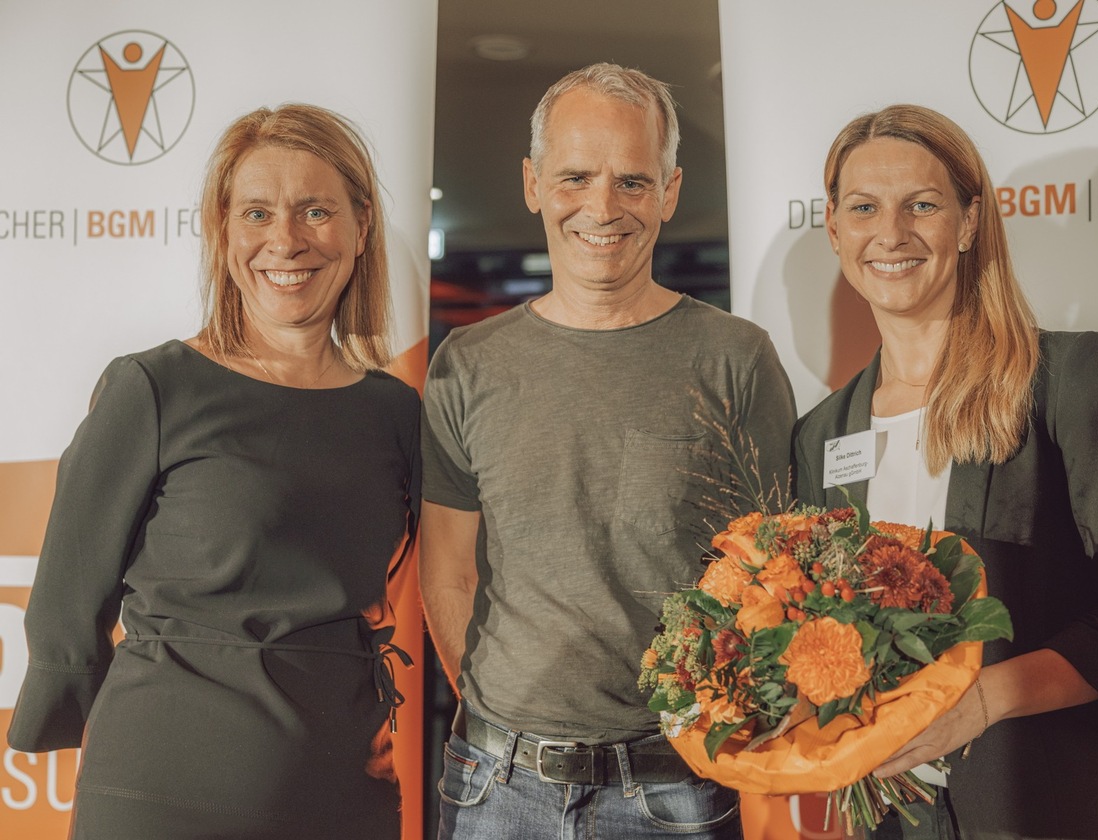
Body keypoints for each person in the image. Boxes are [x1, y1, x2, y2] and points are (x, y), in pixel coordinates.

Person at [7, 104, 421, 839]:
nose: (284, 239)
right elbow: (69, 600)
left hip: (348, 793)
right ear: (223, 231)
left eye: (315, 210)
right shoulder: (154, 387)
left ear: (360, 225)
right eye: (256, 212)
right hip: (164, 790)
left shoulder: (396, 411)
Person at [792, 104, 1098, 839]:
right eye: (865, 208)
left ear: (969, 223)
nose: (891, 233)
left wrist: (985, 698)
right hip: (894, 823)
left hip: (1054, 816)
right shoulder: (821, 436)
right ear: (835, 229)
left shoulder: (1068, 380)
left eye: (923, 205)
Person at [420, 63, 796, 839]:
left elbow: (771, 572)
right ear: (532, 184)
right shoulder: (467, 363)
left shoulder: (735, 358)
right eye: (575, 176)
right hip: (494, 787)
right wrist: (510, 720)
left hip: (675, 787)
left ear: (670, 191)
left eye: (632, 181)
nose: (602, 206)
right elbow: (447, 569)